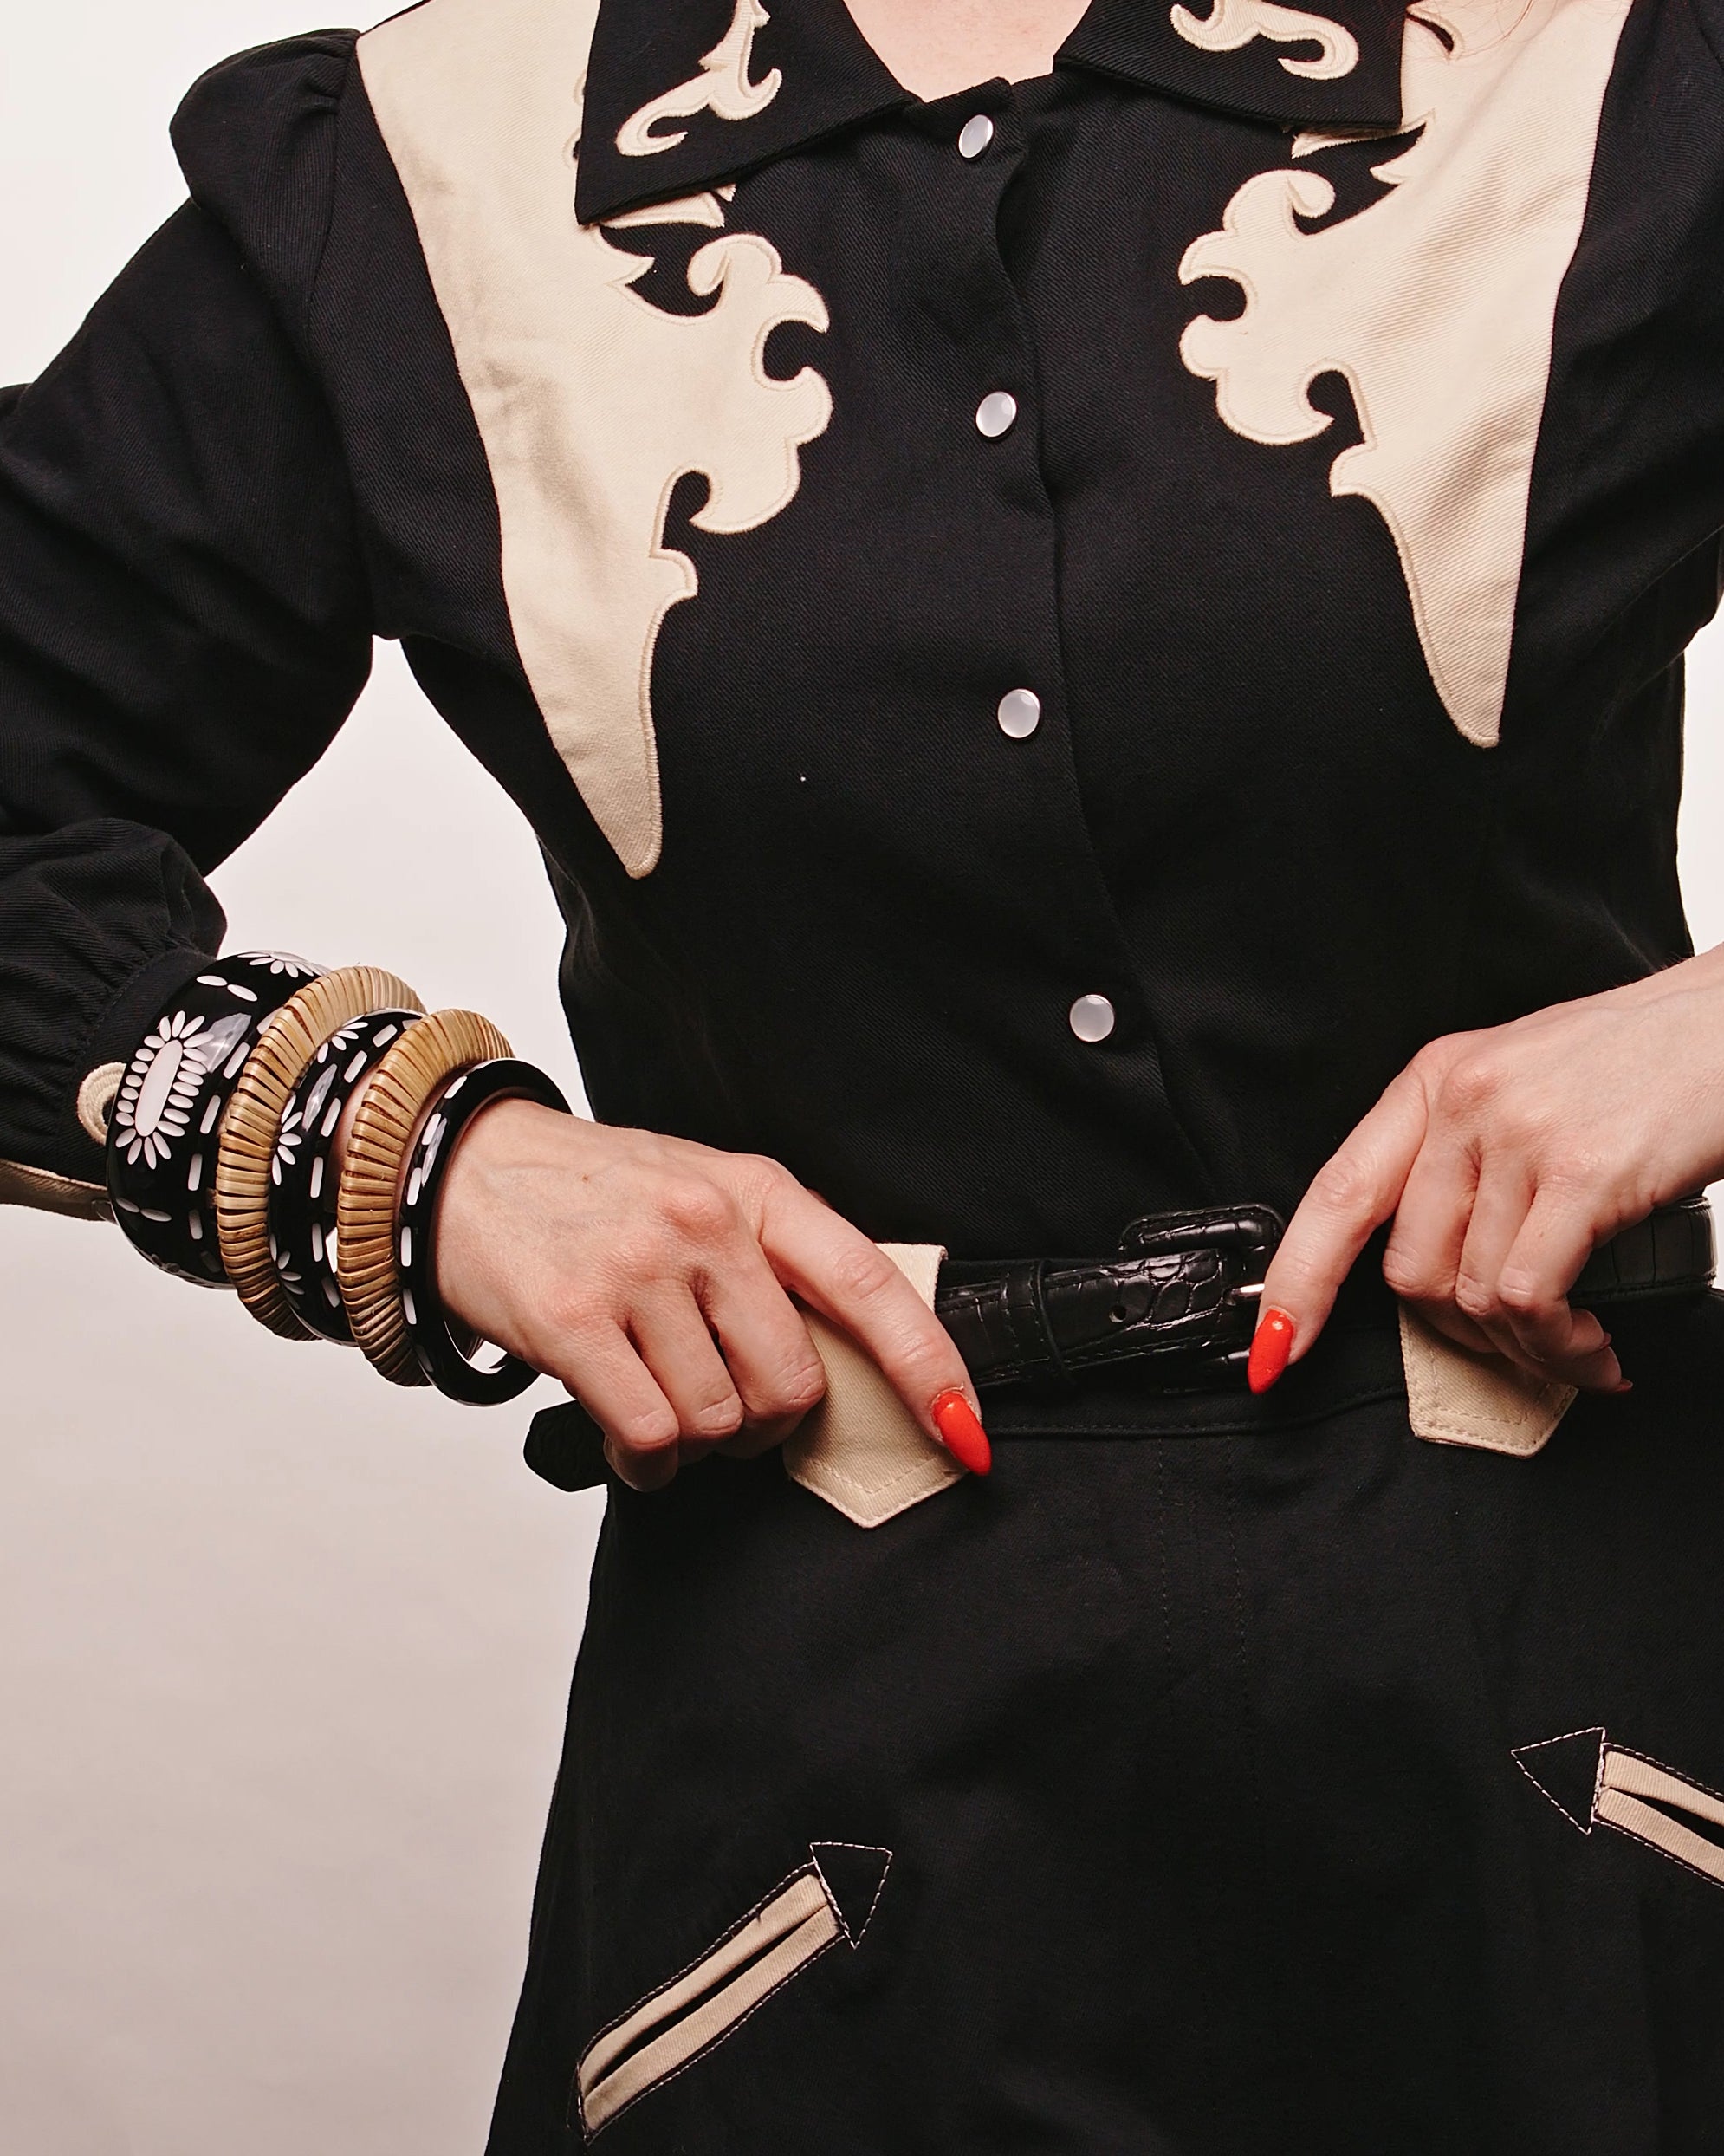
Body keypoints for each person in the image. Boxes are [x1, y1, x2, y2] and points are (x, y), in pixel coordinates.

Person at [5, 0, 1724, 2145]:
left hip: (1591, 1761)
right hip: (822, 1847)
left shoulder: (1613, 69)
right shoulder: (425, 173)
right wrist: (422, 1153)